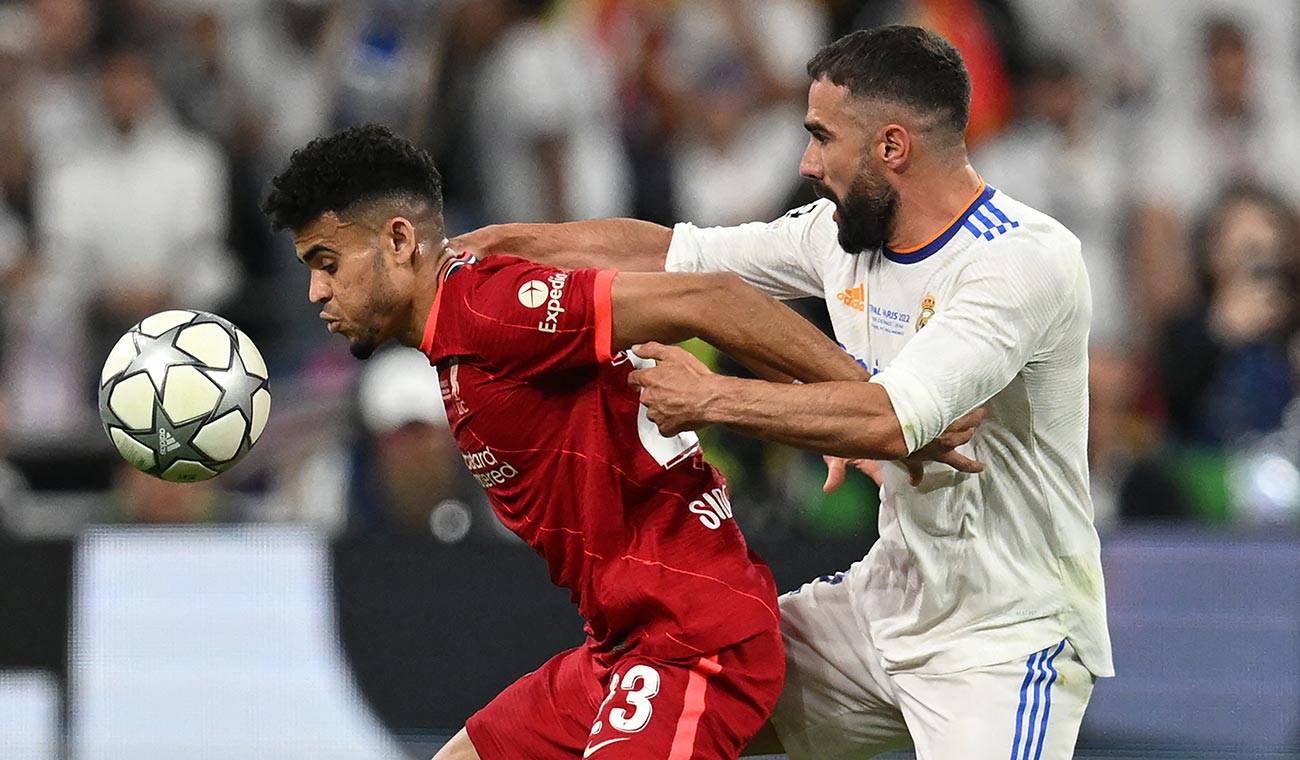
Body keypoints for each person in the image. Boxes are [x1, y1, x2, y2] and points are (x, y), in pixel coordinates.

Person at [454, 25, 1113, 760]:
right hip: (882, 607)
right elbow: (678, 252)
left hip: (1004, 642)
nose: (805, 162)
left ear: (892, 148)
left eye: (822, 137)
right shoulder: (840, 238)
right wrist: (507, 244)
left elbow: (892, 421)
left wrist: (710, 400)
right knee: (682, 675)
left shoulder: (1018, 261)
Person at [262, 124, 980, 760]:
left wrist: (873, 409)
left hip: (693, 641)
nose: (317, 293)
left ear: (396, 240)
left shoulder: (489, 311)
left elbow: (713, 298)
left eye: (328, 262)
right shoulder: (467, 313)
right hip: (621, 646)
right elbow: (646, 265)